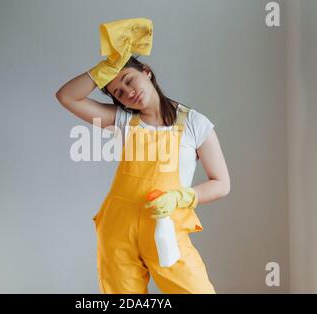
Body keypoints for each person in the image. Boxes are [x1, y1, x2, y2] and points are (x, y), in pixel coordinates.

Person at [56, 18, 230, 294]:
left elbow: (221, 182)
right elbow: (67, 97)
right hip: (119, 232)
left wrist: (183, 197)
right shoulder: (123, 121)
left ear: (146, 72)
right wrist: (102, 70)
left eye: (128, 80)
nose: (128, 93)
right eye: (119, 93)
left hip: (165, 227)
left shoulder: (195, 123)